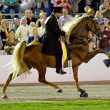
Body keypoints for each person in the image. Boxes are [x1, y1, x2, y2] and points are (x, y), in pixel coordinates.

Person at [41, 7, 66, 75]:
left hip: (49, 37)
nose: (60, 15)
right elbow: (56, 31)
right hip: (50, 39)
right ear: (57, 13)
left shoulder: (51, 17)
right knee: (60, 52)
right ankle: (58, 69)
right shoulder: (52, 19)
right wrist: (65, 33)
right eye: (60, 13)